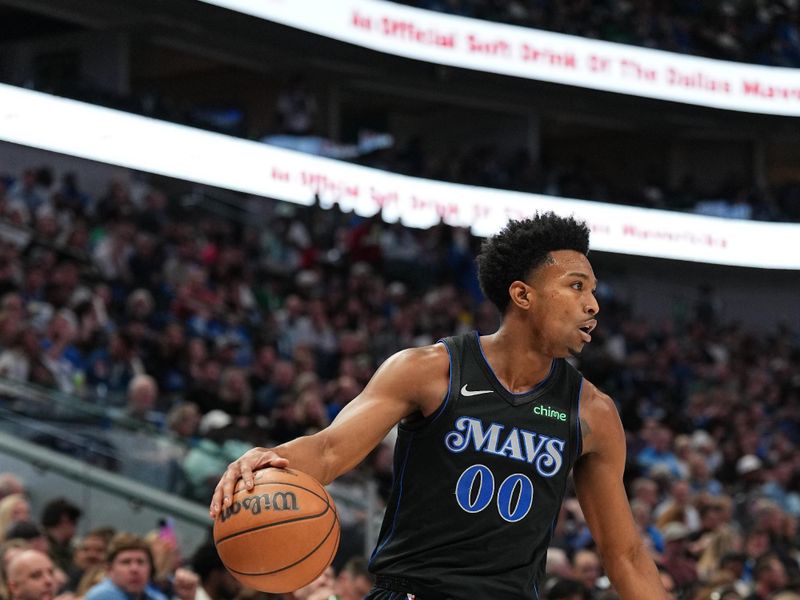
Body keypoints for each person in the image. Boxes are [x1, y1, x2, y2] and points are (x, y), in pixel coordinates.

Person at [210, 214, 667, 599]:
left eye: (593, 291)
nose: (592, 305)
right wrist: (271, 461)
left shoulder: (593, 412)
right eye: (576, 286)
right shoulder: (429, 370)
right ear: (523, 295)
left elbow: (622, 554)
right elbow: (330, 451)